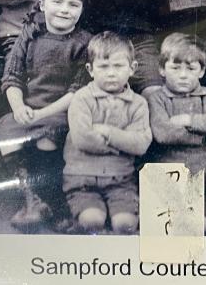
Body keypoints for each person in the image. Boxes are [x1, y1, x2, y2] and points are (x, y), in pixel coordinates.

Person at [0, 0, 92, 233]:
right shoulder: (30, 33)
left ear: (82, 9)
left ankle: (55, 203)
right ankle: (31, 200)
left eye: (73, 4)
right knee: (7, 135)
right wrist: (19, 107)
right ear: (42, 3)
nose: (64, 10)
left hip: (62, 112)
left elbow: (76, 91)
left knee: (47, 139)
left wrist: (42, 114)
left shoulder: (84, 43)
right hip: (29, 108)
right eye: (57, 2)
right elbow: (11, 75)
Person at [63, 32, 152, 234]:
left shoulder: (138, 104)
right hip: (82, 180)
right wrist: (122, 143)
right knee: (92, 221)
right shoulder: (82, 98)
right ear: (90, 70)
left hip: (120, 180)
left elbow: (141, 144)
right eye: (103, 67)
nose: (111, 73)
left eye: (118, 66)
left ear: (132, 68)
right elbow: (82, 138)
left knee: (125, 224)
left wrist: (108, 132)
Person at [145, 33, 206, 232]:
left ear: (202, 71)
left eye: (191, 68)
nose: (183, 75)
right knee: (165, 228)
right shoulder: (157, 99)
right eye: (175, 68)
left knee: (196, 227)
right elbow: (163, 133)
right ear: (162, 69)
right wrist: (204, 131)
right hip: (168, 177)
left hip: (203, 177)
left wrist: (188, 120)